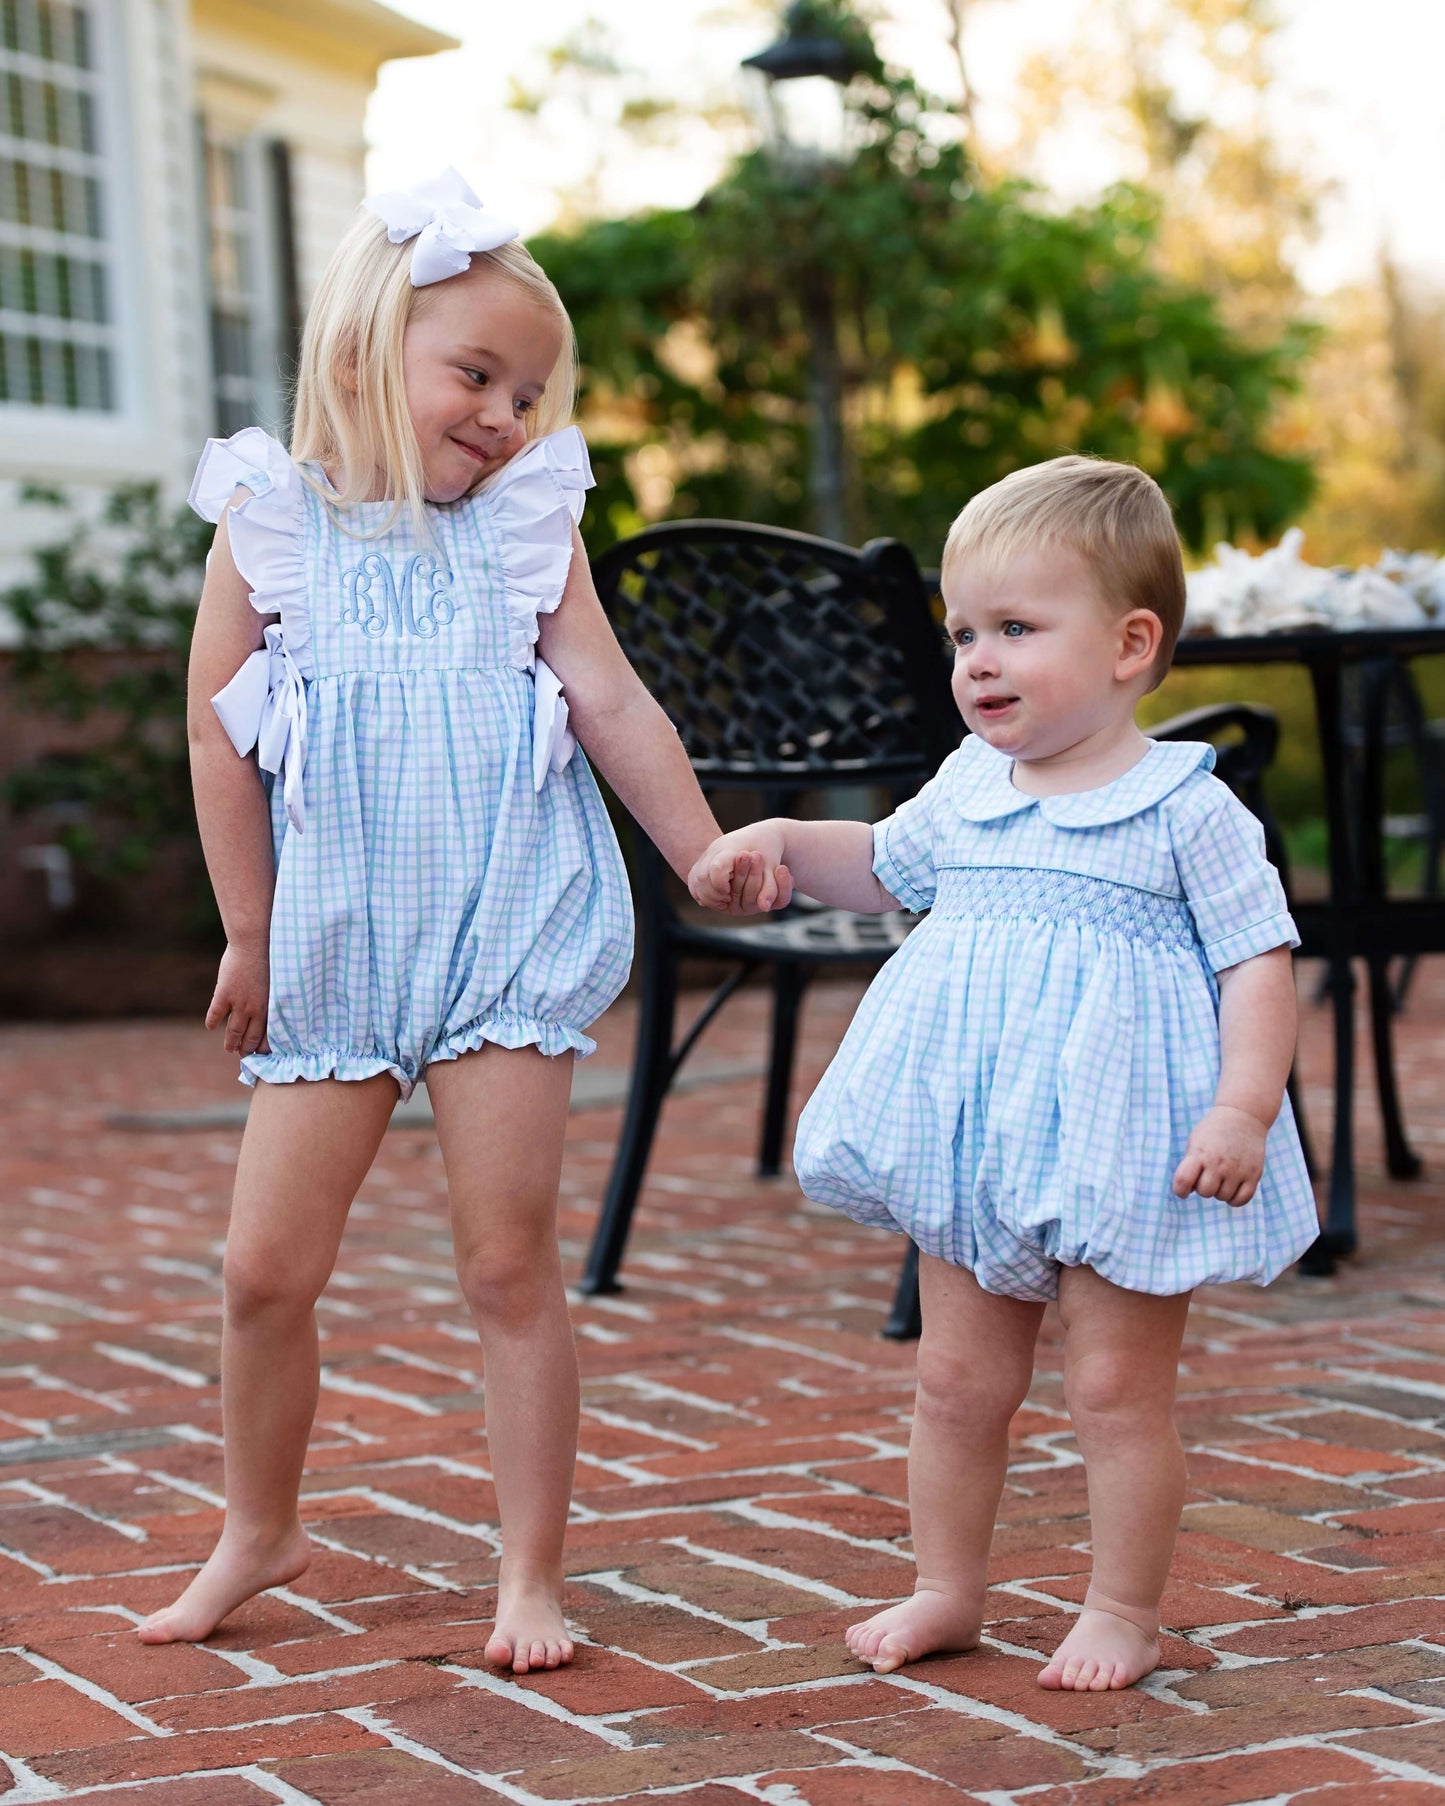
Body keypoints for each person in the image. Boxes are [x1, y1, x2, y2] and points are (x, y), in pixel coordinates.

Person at [142, 171, 719, 1671]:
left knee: (505, 1262)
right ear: (359, 362)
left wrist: (701, 847)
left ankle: (530, 1569)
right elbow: (217, 736)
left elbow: (608, 698)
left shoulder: (525, 528)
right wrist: (248, 931)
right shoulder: (269, 528)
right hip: (334, 944)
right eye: (477, 374)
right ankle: (257, 1525)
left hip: (501, 933)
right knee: (263, 1270)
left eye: (529, 389)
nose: (510, 415)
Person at [688, 456, 1318, 1692]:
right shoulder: (970, 785)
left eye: (1016, 630)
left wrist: (1239, 1107)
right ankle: (945, 1587)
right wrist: (780, 842)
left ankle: (1123, 1610)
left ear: (1131, 644)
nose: (976, 658)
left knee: (1110, 1388)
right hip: (973, 1139)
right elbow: (879, 862)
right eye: (962, 631)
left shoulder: (1184, 810)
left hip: (1124, 1140)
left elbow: (1258, 963)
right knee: (953, 1378)